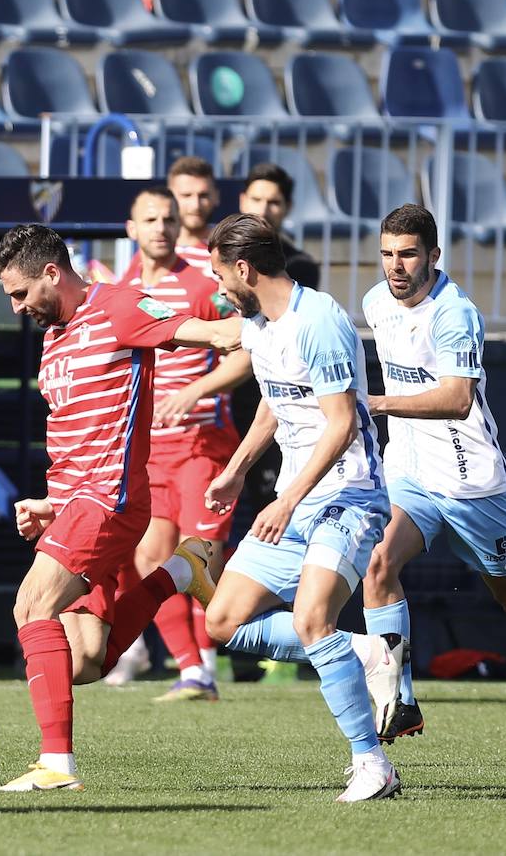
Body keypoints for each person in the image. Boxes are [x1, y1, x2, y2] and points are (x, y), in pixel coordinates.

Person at [0, 223, 240, 792]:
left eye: (21, 293)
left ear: (53, 272)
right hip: (78, 503)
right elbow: (78, 438)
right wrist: (51, 505)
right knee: (85, 663)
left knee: (31, 607)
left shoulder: (120, 306)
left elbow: (210, 332)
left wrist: (265, 321)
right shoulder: (56, 334)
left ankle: (55, 765)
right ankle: (179, 571)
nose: (15, 306)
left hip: (107, 501)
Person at [358, 204, 506, 763]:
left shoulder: (454, 313)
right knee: (378, 564)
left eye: (409, 254)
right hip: (410, 474)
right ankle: (401, 700)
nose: (396, 266)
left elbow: (458, 398)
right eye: (388, 254)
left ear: (433, 256)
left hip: (472, 483)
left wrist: (376, 404)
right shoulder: (374, 302)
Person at [196, 213, 403, 803]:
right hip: (296, 497)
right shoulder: (258, 324)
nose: (217, 287)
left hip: (349, 495)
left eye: (219, 273)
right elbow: (275, 406)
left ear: (244, 268)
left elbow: (340, 425)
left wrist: (286, 500)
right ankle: (364, 648)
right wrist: (236, 472)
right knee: (221, 621)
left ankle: (372, 763)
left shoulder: (321, 322)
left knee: (313, 619)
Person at [108, 187, 243, 702]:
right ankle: (193, 671)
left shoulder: (202, 284)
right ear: (132, 229)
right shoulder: (120, 291)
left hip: (201, 445)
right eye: (151, 219)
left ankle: (306, 646)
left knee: (201, 563)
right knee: (150, 563)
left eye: (168, 218)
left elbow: (246, 350)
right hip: (150, 453)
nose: (162, 227)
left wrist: (196, 389)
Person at [239, 162, 321, 291]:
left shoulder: (301, 266)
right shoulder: (218, 255)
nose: (263, 211)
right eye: (256, 200)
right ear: (242, 201)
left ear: (288, 207)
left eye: (273, 203)